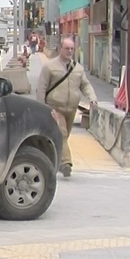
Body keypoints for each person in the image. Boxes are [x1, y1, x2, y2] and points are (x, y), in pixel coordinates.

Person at [36, 36, 98, 178]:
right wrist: (41, 109)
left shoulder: (78, 68)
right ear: (60, 49)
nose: (70, 51)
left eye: (72, 49)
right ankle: (66, 163)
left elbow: (85, 85)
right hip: (55, 108)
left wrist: (92, 98)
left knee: (63, 137)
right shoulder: (49, 67)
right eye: (67, 48)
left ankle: (53, 160)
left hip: (71, 109)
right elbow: (41, 88)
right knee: (62, 134)